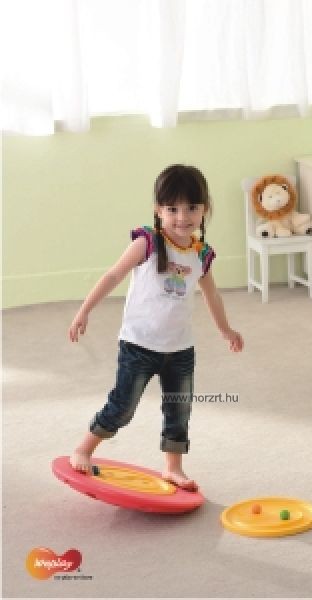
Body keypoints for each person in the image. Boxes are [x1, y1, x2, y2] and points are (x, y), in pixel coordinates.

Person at [68, 164, 243, 492]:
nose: (182, 217)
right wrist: (84, 311)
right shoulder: (147, 242)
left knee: (179, 409)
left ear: (205, 209)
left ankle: (173, 468)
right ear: (158, 210)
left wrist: (226, 330)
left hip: (180, 349)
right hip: (139, 345)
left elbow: (212, 295)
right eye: (172, 209)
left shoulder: (201, 255)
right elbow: (113, 275)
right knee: (123, 406)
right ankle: (83, 449)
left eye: (192, 208)